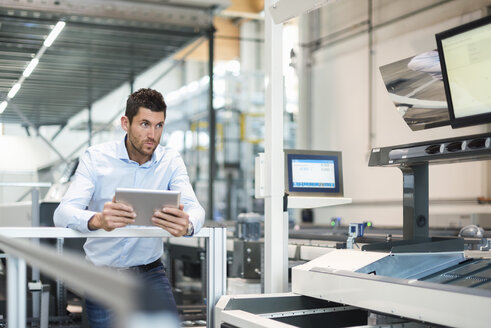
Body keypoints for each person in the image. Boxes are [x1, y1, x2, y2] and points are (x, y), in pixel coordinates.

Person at [54, 88, 205, 327]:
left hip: (150, 272)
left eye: (159, 126)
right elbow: (62, 213)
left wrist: (187, 225)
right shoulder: (96, 158)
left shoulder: (170, 160)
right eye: (145, 124)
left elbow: (197, 210)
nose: (152, 135)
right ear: (126, 123)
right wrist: (99, 220)